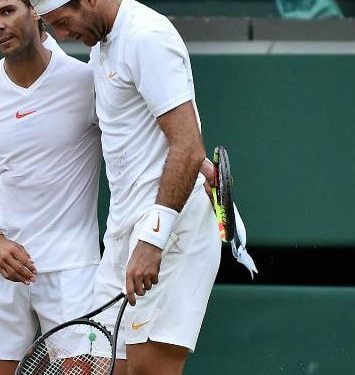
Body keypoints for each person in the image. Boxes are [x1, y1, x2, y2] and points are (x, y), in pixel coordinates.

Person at [34, 0, 222, 374]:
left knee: (147, 370)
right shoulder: (101, 45)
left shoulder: (145, 37)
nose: (63, 35)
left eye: (63, 22)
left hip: (170, 232)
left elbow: (188, 144)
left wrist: (152, 241)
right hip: (124, 231)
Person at [0, 0, 102, 374]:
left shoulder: (87, 82)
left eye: (7, 11)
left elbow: (139, 142)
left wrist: (199, 165)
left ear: (36, 10)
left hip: (73, 271)